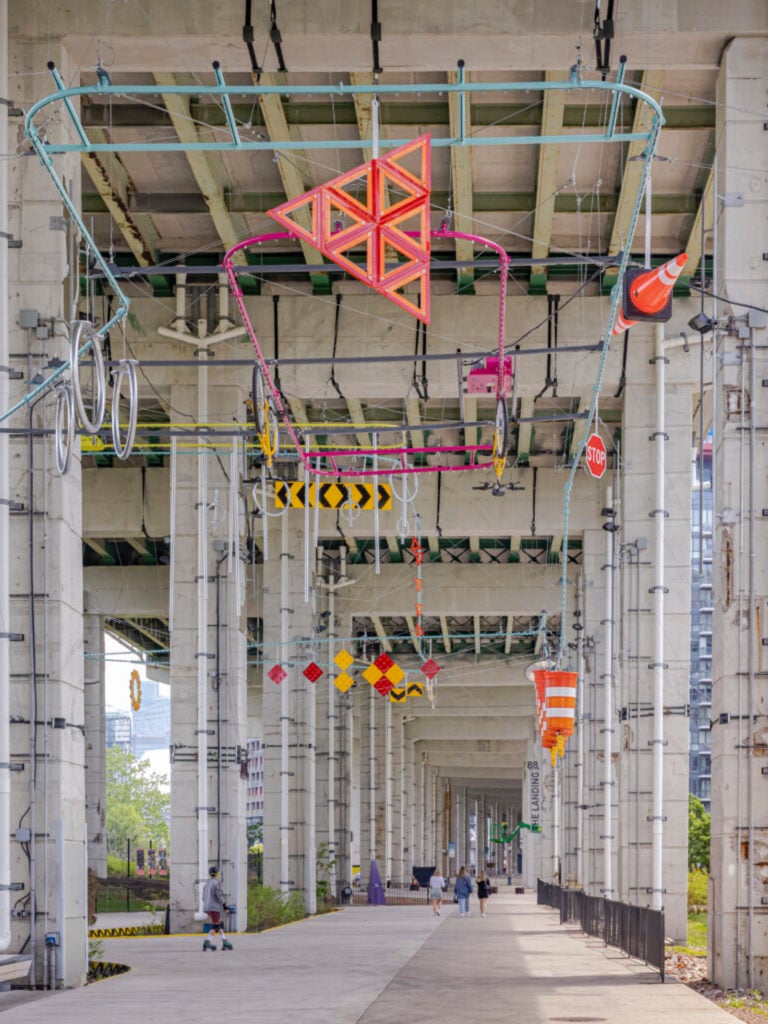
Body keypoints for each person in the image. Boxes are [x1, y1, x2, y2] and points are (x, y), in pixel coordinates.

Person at [202, 865, 233, 951]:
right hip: (214, 907)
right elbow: (219, 895)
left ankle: (224, 941)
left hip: (207, 907)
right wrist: (224, 906)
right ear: (217, 874)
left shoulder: (206, 884)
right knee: (216, 925)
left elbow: (203, 897)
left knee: (218, 923)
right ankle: (207, 941)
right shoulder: (217, 883)